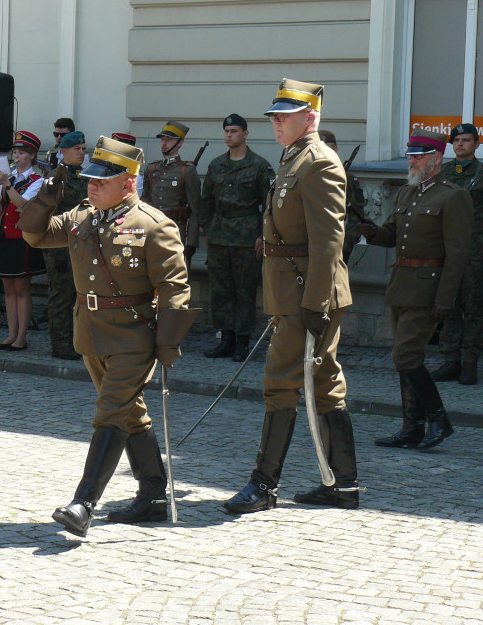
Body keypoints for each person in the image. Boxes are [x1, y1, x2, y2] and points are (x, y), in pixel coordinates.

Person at [19, 136, 193, 537]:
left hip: (133, 335)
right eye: (89, 179)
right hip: (91, 333)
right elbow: (33, 233)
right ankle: (152, 492)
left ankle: (84, 504)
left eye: (102, 179)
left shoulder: (154, 225)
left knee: (110, 411)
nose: (92, 185)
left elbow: (175, 288)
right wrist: (48, 194)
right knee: (130, 412)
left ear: (129, 182)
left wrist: (167, 344)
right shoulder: (82, 217)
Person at [224, 79, 359, 514]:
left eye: (285, 115)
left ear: (311, 117)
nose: (276, 121)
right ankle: (343, 484)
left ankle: (264, 484)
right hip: (293, 290)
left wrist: (315, 305)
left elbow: (327, 243)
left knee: (280, 383)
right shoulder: (294, 158)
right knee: (323, 383)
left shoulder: (318, 162)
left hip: (305, 295)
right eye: (274, 115)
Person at [360, 128, 472, 450]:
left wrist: (445, 299)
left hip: (428, 290)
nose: (412, 160)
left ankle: (438, 420)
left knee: (405, 355)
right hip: (401, 286)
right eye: (410, 155)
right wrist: (373, 232)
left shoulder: (452, 195)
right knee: (405, 358)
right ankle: (412, 427)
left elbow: (458, 253)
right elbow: (392, 236)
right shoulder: (406, 193)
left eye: (418, 155)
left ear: (436, 159)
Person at [198, 114, 273, 362]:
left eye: (234, 131)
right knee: (221, 290)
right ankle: (226, 338)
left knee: (244, 290)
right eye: (227, 131)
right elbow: (206, 200)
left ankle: (242, 341)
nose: (230, 135)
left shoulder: (259, 166)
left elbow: (269, 205)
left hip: (246, 236)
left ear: (245, 134)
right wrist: (207, 230)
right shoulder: (216, 165)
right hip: (220, 235)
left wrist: (262, 235)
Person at [432, 123, 483, 386]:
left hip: (476, 247)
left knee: (473, 306)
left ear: (476, 143)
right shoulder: (444, 172)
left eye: (466, 140)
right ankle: (450, 361)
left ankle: (470, 362)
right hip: (447, 246)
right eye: (456, 141)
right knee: (447, 304)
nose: (460, 144)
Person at [0, 130, 46, 351]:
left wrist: (8, 186)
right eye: (15, 152)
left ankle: (22, 337)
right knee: (8, 289)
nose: (16, 156)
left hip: (21, 239)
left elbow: (23, 206)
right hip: (3, 236)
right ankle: (10, 335)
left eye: (21, 153)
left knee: (21, 289)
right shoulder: (8, 177)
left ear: (31, 156)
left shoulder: (37, 181)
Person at [42, 131, 89, 360]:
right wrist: (57, 250)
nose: (81, 152)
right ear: (64, 152)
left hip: (82, 244)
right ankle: (59, 343)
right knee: (62, 294)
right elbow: (49, 212)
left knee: (80, 295)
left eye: (83, 149)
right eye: (76, 149)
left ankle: (76, 340)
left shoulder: (85, 176)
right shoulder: (55, 177)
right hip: (60, 244)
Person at [142, 121, 201, 266]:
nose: (164, 143)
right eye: (163, 139)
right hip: (152, 230)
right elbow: (144, 200)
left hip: (176, 231)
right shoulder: (151, 168)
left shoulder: (187, 170)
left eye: (169, 140)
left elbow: (195, 209)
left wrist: (191, 242)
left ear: (180, 143)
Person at [318, 130, 367, 264]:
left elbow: (356, 216)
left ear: (336, 149)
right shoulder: (309, 176)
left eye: (327, 149)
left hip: (335, 244)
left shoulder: (347, 178)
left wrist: (346, 246)